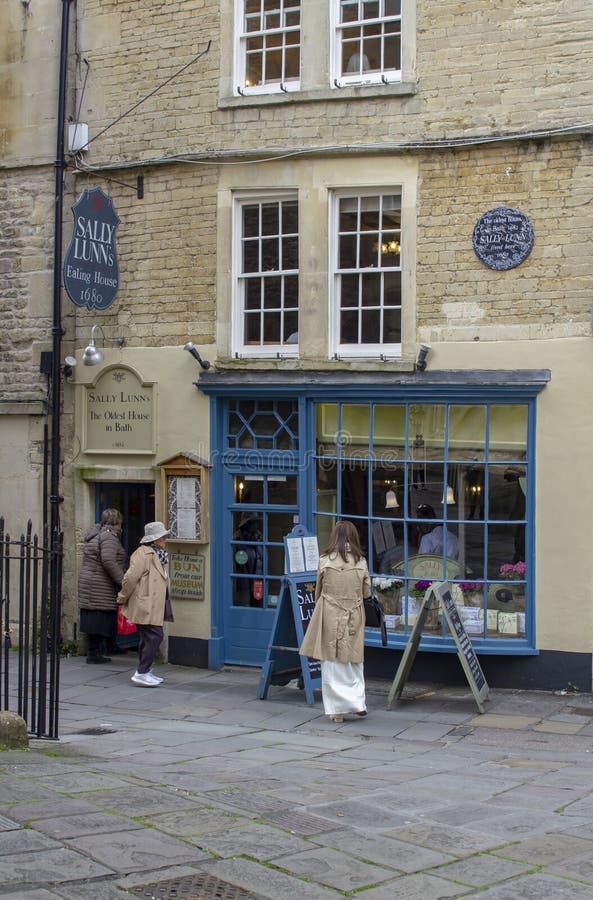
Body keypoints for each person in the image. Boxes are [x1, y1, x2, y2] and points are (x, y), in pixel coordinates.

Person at [299, 520, 371, 724]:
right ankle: (358, 704)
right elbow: (366, 593)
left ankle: (336, 711)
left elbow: (318, 590)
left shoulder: (324, 560)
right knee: (353, 661)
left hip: (330, 613)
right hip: (353, 615)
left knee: (331, 663)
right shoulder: (361, 562)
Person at [117, 521, 173, 687]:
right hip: (145, 603)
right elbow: (130, 578)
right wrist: (122, 596)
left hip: (155, 604)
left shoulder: (158, 554)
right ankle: (141, 672)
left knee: (147, 637)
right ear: (154, 539)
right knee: (155, 636)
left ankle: (145, 671)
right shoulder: (142, 554)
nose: (165, 539)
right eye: (162, 537)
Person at [78, 509, 127, 664]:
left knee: (97, 617)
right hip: (99, 583)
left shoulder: (97, 533)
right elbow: (108, 561)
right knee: (100, 617)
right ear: (116, 522)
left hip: (91, 582)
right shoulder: (109, 536)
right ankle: (95, 654)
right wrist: (123, 580)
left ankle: (107, 646)